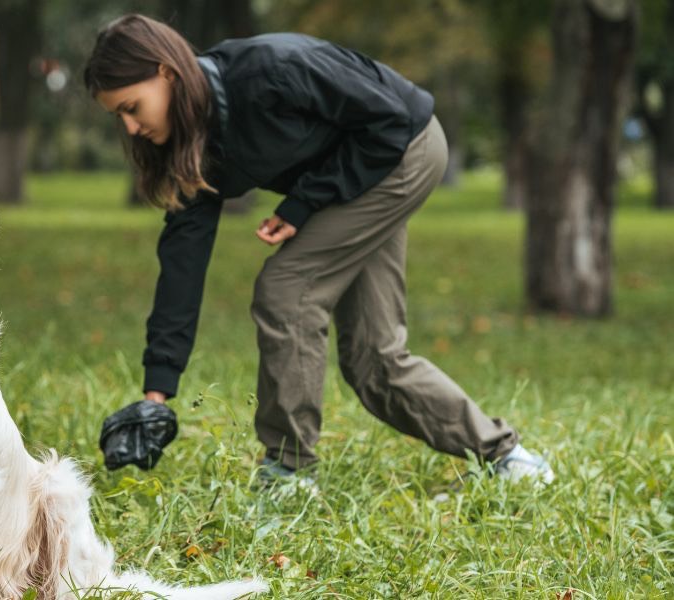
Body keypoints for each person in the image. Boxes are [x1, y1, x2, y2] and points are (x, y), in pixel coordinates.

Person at [84, 14, 554, 488]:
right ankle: (509, 458)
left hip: (403, 149)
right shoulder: (194, 144)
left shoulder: (271, 71)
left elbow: (388, 121)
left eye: (132, 106)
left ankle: (287, 473)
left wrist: (303, 204)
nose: (129, 126)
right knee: (375, 359)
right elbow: (182, 265)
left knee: (287, 290)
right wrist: (156, 396)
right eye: (117, 116)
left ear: (166, 73)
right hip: (360, 171)